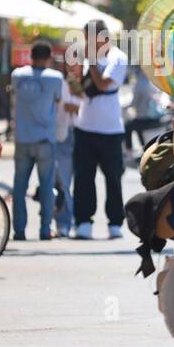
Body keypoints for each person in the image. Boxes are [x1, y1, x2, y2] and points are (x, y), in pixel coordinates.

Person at [72, 20, 128, 240]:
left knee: (113, 177)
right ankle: (83, 221)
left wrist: (92, 62)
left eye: (90, 37)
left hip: (110, 129)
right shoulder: (87, 59)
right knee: (84, 177)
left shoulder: (117, 57)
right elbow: (81, 89)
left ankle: (115, 222)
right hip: (85, 126)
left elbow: (104, 84)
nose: (87, 42)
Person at [10, 42, 65, 241]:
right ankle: (44, 229)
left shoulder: (18, 75)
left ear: (31, 56)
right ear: (49, 57)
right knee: (47, 185)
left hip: (22, 138)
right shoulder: (55, 78)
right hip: (45, 139)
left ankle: (19, 230)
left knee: (19, 187)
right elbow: (58, 101)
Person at [50, 53, 82, 238]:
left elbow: (79, 107)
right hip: (60, 134)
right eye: (69, 62)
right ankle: (59, 223)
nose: (72, 66)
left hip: (75, 135)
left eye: (76, 62)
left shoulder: (80, 85)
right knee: (58, 183)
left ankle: (66, 223)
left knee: (65, 183)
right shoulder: (62, 83)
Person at [123, 66, 166, 156]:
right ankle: (143, 147)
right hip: (156, 115)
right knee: (136, 125)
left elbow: (135, 102)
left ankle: (129, 150)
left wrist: (126, 106)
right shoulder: (152, 81)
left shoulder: (139, 83)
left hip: (146, 117)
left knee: (128, 126)